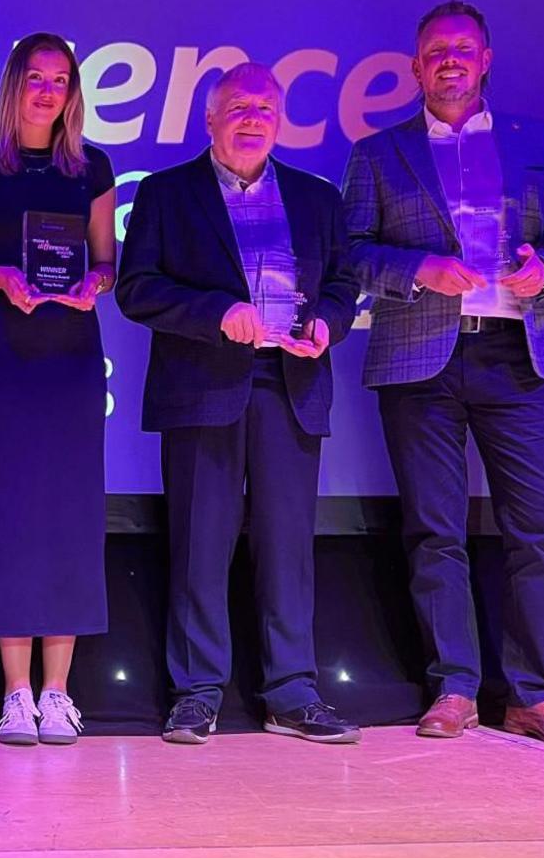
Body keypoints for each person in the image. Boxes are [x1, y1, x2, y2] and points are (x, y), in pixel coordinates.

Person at [342, 1, 544, 748]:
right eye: (434, 52)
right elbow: (351, 251)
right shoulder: (379, 152)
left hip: (516, 354)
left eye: (463, 49)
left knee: (543, 529)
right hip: (421, 358)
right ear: (416, 67)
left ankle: (532, 694)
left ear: (486, 59)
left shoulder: (530, 145)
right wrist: (418, 267)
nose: (449, 60)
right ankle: (454, 686)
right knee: (434, 530)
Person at [117, 63, 361, 745]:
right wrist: (216, 311)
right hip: (203, 388)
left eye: (264, 107)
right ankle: (197, 692)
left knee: (288, 548)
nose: (251, 118)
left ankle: (292, 692)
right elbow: (137, 289)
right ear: (211, 120)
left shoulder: (315, 198)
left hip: (292, 384)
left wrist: (327, 326)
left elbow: (343, 284)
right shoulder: (168, 194)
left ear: (279, 119)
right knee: (200, 546)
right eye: (238, 107)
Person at [0, 32, 116, 746]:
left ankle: (58, 692)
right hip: (3, 351)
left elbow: (107, 263)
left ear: (73, 92)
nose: (48, 91)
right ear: (13, 86)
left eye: (60, 80)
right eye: (36, 78)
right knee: (6, 510)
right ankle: (14, 693)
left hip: (71, 354)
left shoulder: (91, 168)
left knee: (69, 511)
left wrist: (93, 285)